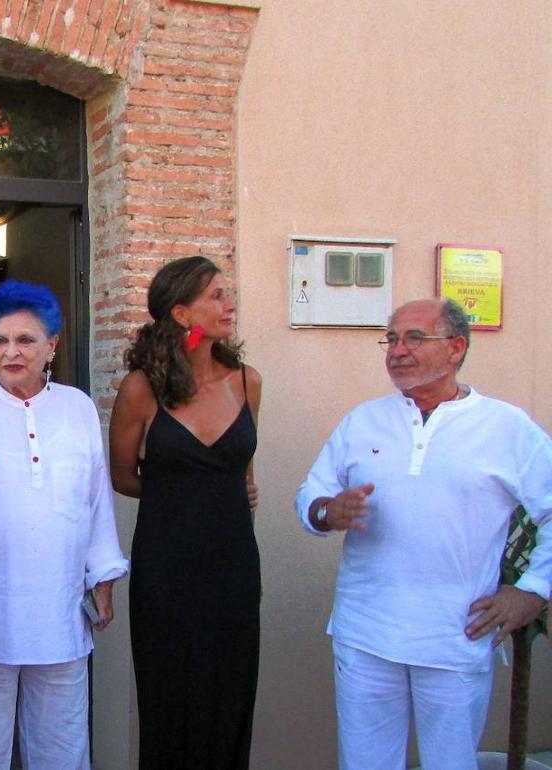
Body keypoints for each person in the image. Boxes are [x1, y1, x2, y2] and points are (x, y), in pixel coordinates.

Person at [296, 298, 551, 770]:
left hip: (455, 636)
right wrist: (328, 510)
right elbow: (312, 493)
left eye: (414, 337)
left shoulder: (505, 427)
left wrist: (532, 591)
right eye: (391, 339)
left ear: (455, 348)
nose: (397, 350)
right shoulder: (363, 420)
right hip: (365, 632)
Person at [0, 280, 128, 769]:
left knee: (63, 746)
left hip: (60, 613)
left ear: (53, 346)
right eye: (0, 340)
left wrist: (103, 580)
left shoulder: (78, 408)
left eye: (25, 340)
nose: (11, 352)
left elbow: (94, 504)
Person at [108, 256, 262, 769]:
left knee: (229, 705)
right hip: (166, 576)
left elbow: (243, 471)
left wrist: (230, 493)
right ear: (180, 313)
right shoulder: (141, 389)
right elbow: (123, 476)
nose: (229, 303)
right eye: (216, 295)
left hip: (234, 571)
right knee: (169, 707)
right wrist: (182, 496)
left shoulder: (247, 382)